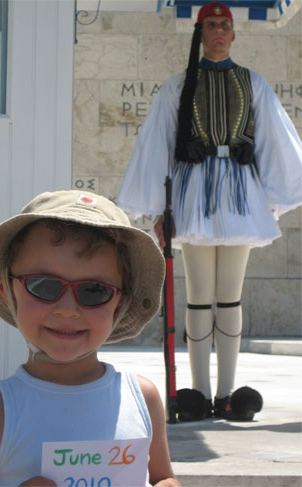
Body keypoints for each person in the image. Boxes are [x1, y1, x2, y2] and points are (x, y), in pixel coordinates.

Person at [117, 2, 302, 421]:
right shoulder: (178, 87)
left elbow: (275, 140)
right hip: (193, 195)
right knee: (200, 297)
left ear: (234, 34)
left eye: (225, 26)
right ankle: (198, 393)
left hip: (239, 196)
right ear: (200, 33)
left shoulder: (253, 84)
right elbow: (157, 148)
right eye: (211, 25)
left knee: (230, 296)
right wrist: (159, 211)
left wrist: (269, 200)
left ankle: (227, 392)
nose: (218, 32)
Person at [0, 190, 180, 487]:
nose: (68, 310)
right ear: (8, 294)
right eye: (43, 285)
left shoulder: (143, 398)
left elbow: (163, 476)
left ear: (118, 304)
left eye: (94, 290)